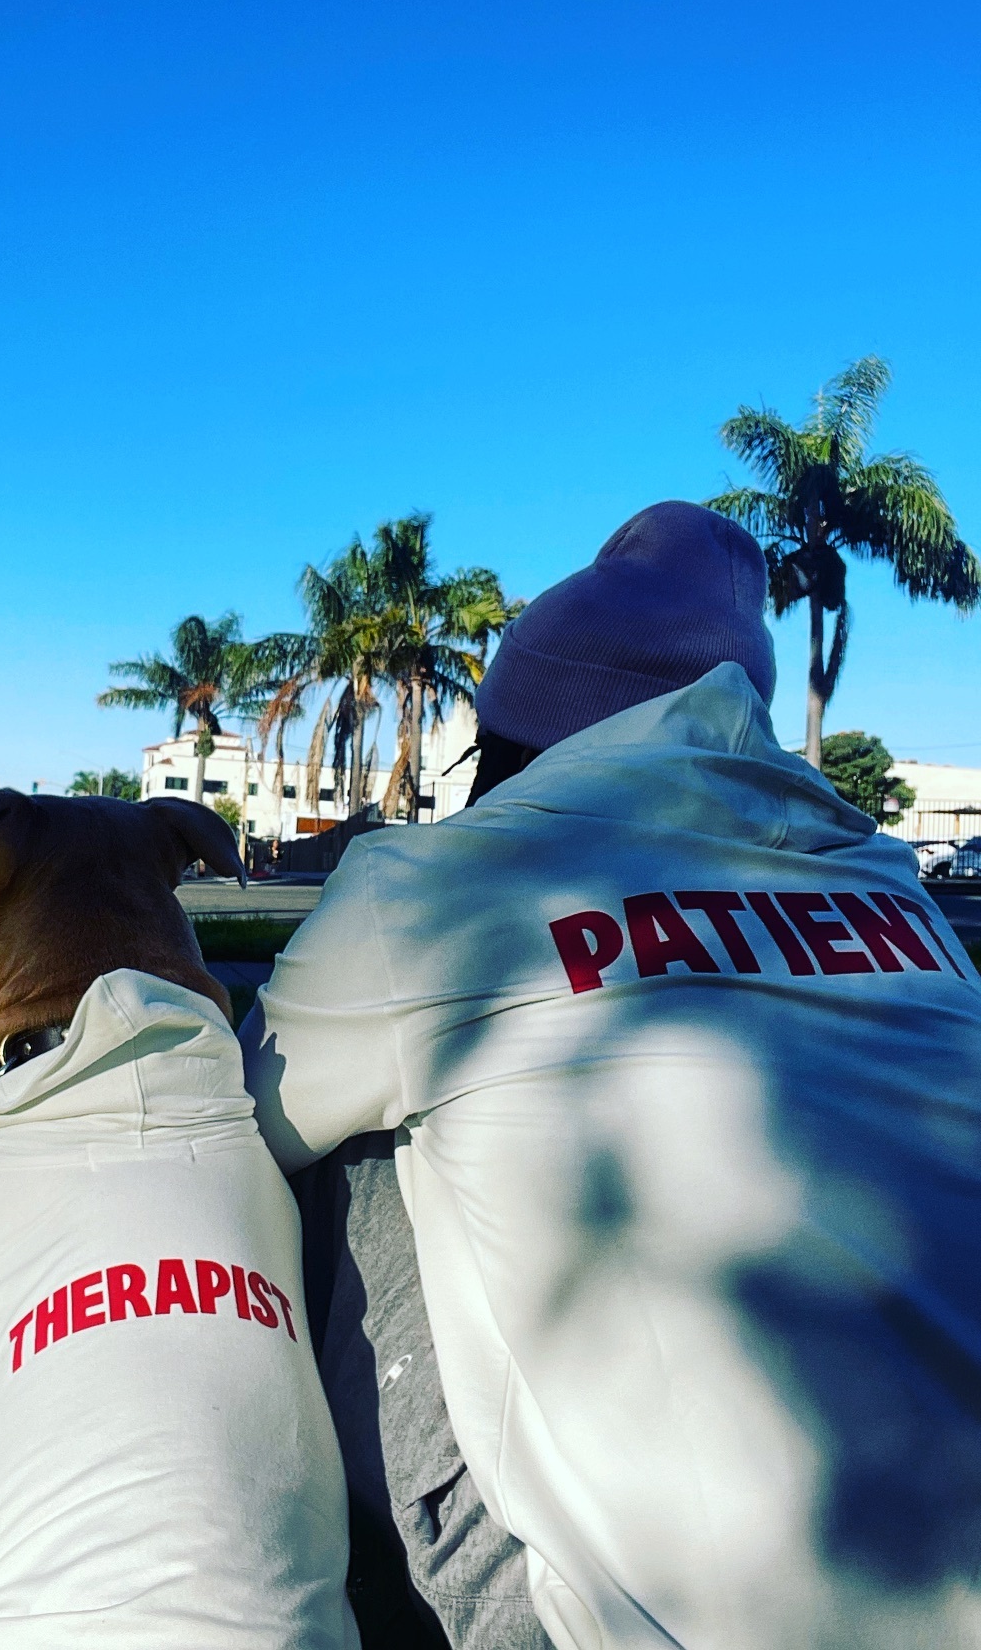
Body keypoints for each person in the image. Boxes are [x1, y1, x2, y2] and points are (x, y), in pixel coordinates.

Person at [242, 500, 981, 1650]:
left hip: (640, 1630)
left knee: (360, 1139)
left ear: (513, 731)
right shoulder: (898, 893)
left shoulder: (428, 891)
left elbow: (235, 1123)